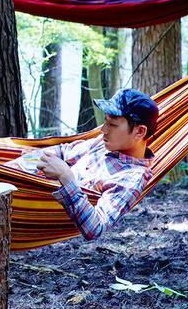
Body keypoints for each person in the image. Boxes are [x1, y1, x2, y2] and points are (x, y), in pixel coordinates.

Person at [17, 89, 158, 240]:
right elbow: (65, 151)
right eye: (105, 121)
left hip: (33, 210)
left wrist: (66, 177)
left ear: (140, 132)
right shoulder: (105, 143)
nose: (103, 130)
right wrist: (27, 160)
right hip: (23, 186)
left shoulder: (132, 177)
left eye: (112, 124)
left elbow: (95, 228)